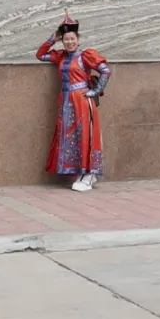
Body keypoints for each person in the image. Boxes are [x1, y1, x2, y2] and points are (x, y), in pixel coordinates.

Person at [35, 10, 111, 192]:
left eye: (72, 39)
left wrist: (95, 91)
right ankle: (85, 174)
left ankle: (89, 174)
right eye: (66, 39)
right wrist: (52, 39)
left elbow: (105, 71)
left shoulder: (86, 56)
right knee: (71, 137)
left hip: (82, 101)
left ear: (78, 40)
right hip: (66, 102)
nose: (69, 42)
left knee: (85, 136)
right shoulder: (60, 56)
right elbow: (40, 55)